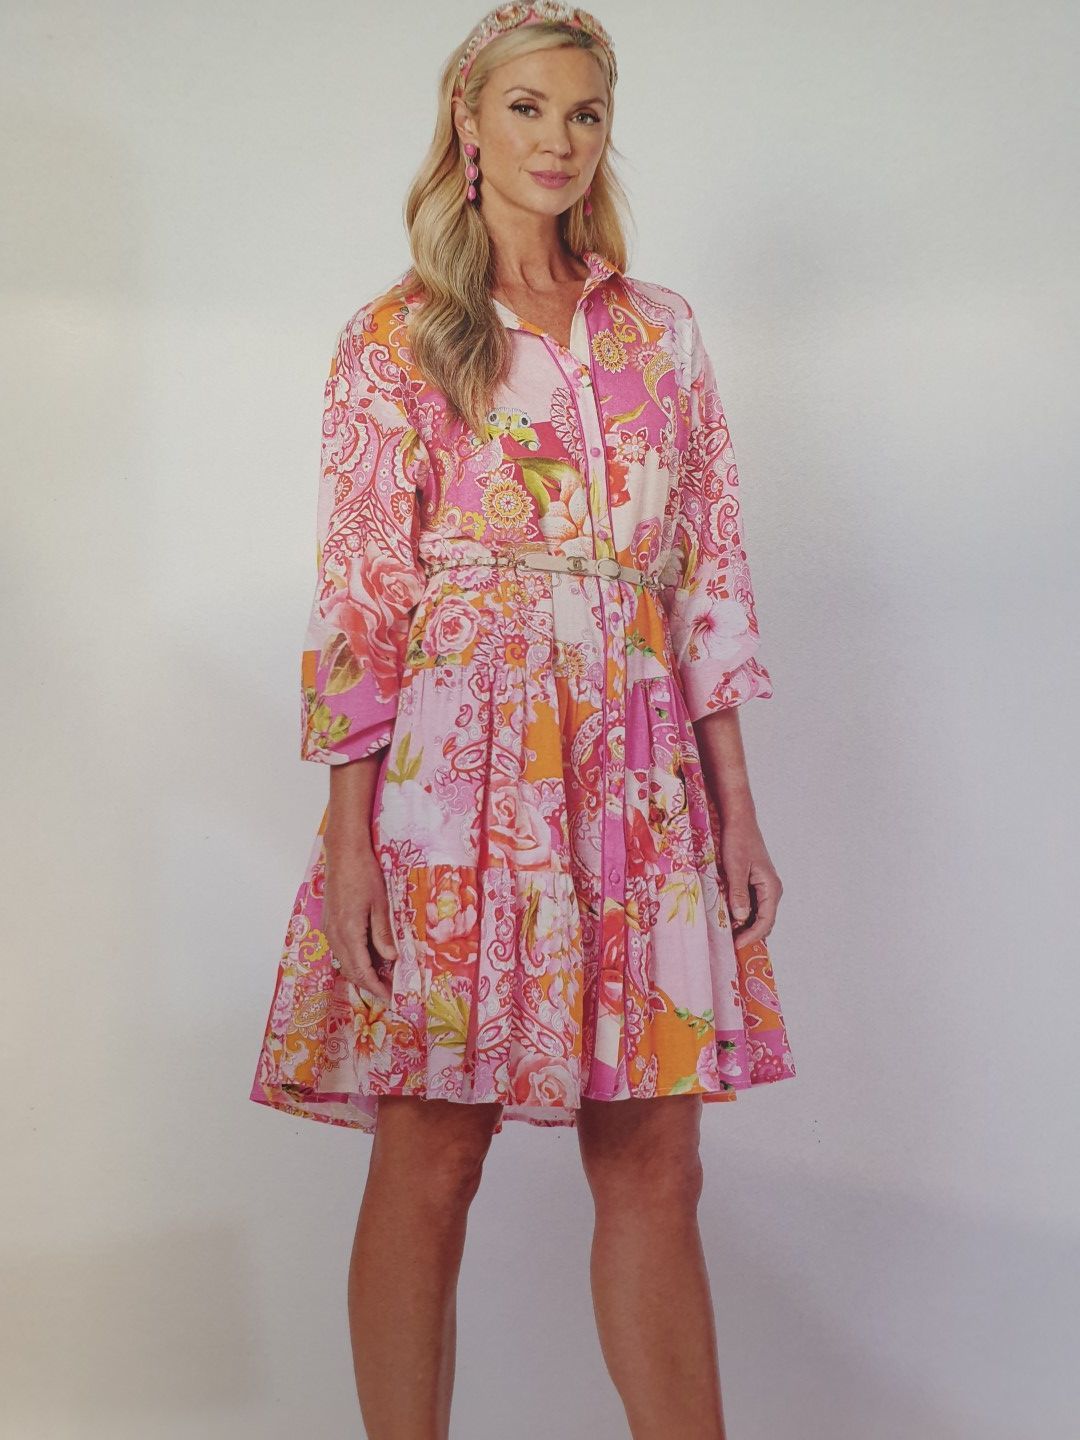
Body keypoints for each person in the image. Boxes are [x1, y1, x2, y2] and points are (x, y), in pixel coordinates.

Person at [251, 4, 796, 1434]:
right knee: (433, 1150)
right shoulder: (399, 337)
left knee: (659, 1158)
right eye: (530, 110)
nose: (560, 141)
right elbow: (360, 597)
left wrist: (738, 810)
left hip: (636, 769)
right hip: (458, 768)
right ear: (469, 124)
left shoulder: (661, 335)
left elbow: (707, 577)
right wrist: (352, 837)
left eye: (586, 114)